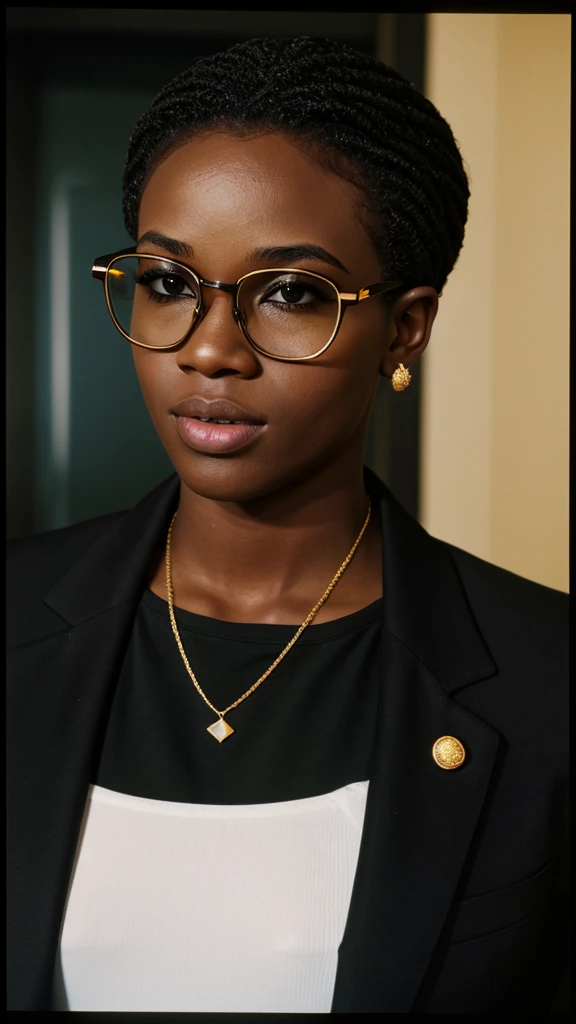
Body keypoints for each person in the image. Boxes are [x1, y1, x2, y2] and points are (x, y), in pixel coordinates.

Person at [7, 35, 568, 1014]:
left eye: (291, 294)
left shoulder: (545, 677)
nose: (211, 349)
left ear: (406, 327)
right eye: (169, 282)